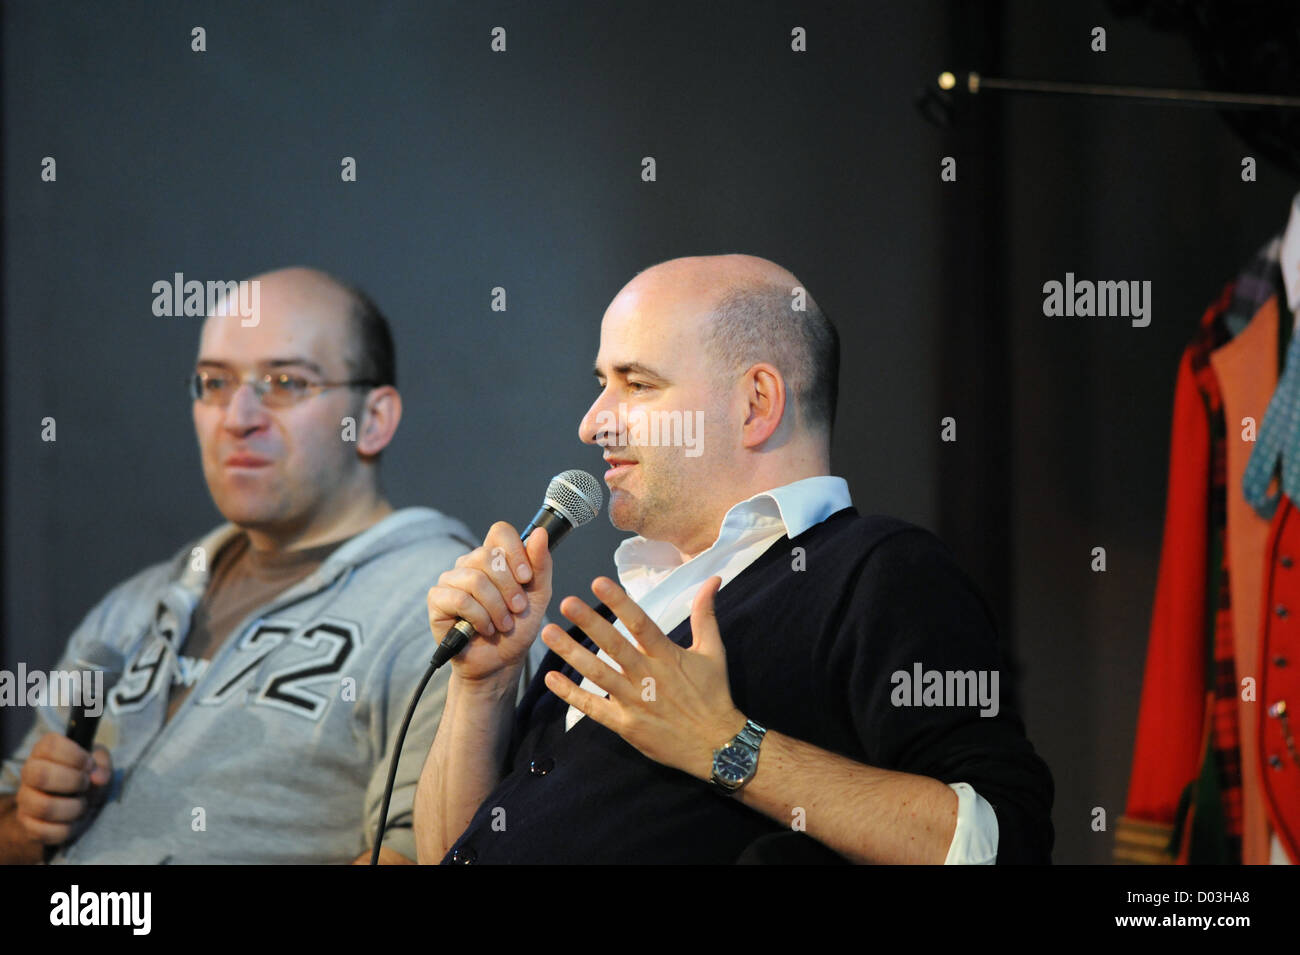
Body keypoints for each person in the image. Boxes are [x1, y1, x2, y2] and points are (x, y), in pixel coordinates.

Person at [414, 254, 1054, 864]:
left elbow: (1002, 842)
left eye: (637, 384)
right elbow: (450, 851)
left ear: (756, 404)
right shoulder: (622, 605)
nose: (592, 423)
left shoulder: (878, 572)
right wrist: (485, 684)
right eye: (600, 384)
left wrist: (724, 743)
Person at [0, 267, 475, 864]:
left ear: (374, 419)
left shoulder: (446, 609)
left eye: (284, 381)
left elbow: (425, 855)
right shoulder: (136, 604)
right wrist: (29, 820)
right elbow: (9, 820)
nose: (237, 415)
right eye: (214, 382)